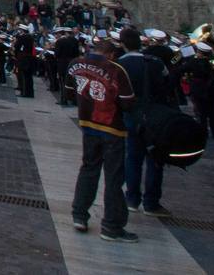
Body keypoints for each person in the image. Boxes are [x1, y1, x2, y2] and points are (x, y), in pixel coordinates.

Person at [69, 38, 137, 242]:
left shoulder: (76, 63)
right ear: (111, 54)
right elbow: (127, 102)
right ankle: (111, 225)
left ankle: (79, 214)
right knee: (114, 176)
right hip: (111, 126)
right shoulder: (116, 69)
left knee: (88, 168)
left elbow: (70, 92)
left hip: (87, 123)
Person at [117, 26, 172, 216]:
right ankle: (151, 202)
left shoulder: (120, 64)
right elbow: (168, 85)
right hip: (156, 115)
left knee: (132, 158)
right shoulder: (156, 62)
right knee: (156, 159)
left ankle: (132, 199)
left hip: (132, 115)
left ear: (122, 44)